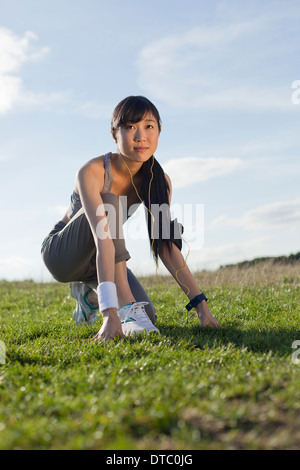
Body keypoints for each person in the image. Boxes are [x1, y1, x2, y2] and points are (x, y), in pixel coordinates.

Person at [41, 96, 220, 341]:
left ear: (159, 131)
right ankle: (109, 306)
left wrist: (202, 308)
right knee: (110, 202)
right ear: (114, 133)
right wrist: (110, 314)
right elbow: (103, 239)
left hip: (100, 257)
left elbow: (166, 247)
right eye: (130, 127)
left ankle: (88, 298)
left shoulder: (159, 181)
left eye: (148, 126)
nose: (140, 136)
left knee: (146, 314)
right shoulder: (93, 171)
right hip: (63, 255)